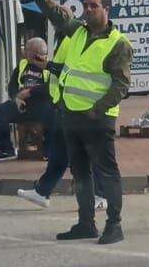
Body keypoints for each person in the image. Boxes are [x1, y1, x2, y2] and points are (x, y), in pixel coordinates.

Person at [16, 0, 131, 246]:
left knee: (107, 172)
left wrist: (97, 109)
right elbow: (55, 11)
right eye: (86, 5)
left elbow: (121, 85)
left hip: (97, 120)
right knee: (80, 173)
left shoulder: (118, 44)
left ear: (106, 9)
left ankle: (114, 225)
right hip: (72, 117)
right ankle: (85, 223)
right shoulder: (77, 31)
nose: (88, 10)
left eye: (94, 6)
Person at [16, 16, 108, 210]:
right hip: (62, 104)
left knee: (89, 152)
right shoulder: (64, 40)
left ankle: (101, 194)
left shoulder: (76, 40)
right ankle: (42, 191)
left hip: (78, 106)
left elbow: (71, 71)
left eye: (61, 18)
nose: (56, 23)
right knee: (58, 152)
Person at [0, 37, 50, 161]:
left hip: (40, 105)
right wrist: (16, 98)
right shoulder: (22, 65)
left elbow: (50, 89)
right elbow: (12, 85)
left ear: (34, 53)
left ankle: (48, 150)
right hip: (21, 104)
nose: (24, 52)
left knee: (53, 113)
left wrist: (30, 92)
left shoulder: (49, 67)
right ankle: (7, 151)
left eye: (27, 50)